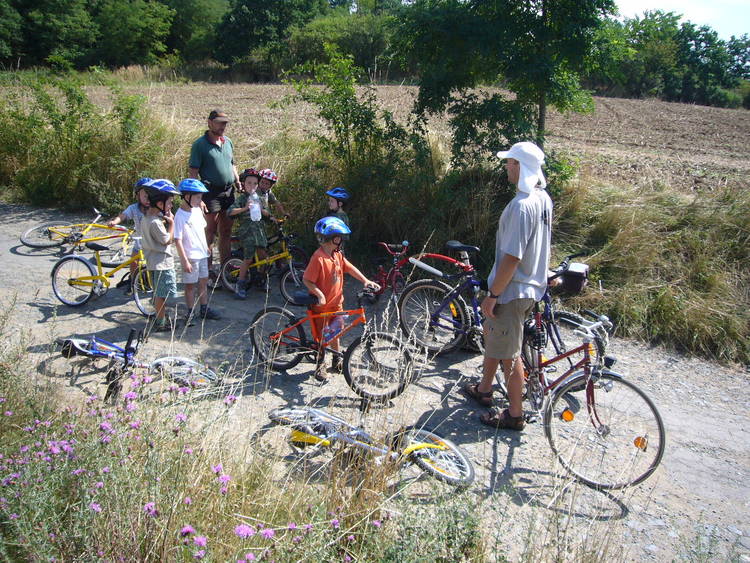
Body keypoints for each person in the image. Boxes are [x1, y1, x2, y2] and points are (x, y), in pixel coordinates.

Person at [462, 141, 553, 430]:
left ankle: (515, 414)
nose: (506, 167)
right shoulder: (543, 199)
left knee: (510, 356)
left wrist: (493, 295)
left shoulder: (521, 206)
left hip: (512, 290)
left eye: (510, 162)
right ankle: (484, 389)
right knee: (495, 336)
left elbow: (513, 257)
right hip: (531, 287)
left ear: (520, 166)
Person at [303, 217, 379, 381]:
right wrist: (319, 295)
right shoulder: (318, 258)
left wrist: (365, 280)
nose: (341, 241)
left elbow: (349, 268)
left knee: (336, 332)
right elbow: (307, 280)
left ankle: (336, 360)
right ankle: (320, 364)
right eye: (339, 238)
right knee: (322, 337)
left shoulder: (337, 255)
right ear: (332, 238)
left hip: (337, 304)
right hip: (322, 307)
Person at [188, 109, 241, 270]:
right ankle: (208, 269)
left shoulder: (228, 142)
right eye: (219, 123)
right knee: (209, 231)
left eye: (224, 123)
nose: (222, 126)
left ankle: (226, 267)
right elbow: (193, 172)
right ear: (210, 123)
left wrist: (237, 180)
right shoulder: (200, 145)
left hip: (228, 191)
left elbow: (232, 164)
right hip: (210, 192)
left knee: (226, 230)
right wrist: (196, 197)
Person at [174, 178, 222, 324]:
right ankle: (190, 313)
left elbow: (202, 230)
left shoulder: (197, 211)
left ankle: (204, 308)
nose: (200, 200)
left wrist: (206, 246)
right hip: (191, 257)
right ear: (187, 196)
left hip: (202, 254)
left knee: (203, 282)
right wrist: (184, 261)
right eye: (198, 197)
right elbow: (178, 240)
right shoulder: (179, 216)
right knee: (190, 286)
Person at [140, 179, 181, 333]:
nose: (171, 205)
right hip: (161, 263)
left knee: (159, 293)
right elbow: (166, 240)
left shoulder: (147, 218)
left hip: (153, 261)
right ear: (159, 203)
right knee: (161, 295)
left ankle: (160, 316)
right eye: (169, 202)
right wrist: (172, 224)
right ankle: (161, 322)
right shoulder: (155, 222)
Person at [227, 167, 268, 299]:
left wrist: (263, 211)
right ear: (244, 184)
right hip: (247, 233)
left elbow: (267, 213)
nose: (252, 186)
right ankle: (240, 284)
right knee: (248, 258)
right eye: (249, 183)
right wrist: (244, 208)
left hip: (259, 233)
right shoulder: (242, 199)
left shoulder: (260, 198)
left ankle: (260, 279)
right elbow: (230, 212)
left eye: (255, 183)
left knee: (264, 257)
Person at [107, 177, 152, 284]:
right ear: (138, 196)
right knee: (134, 263)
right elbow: (123, 215)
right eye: (145, 196)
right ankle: (133, 281)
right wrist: (114, 222)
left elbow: (165, 216)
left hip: (153, 241)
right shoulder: (133, 208)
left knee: (153, 263)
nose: (148, 199)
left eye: (150, 196)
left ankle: (151, 281)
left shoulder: (155, 208)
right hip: (139, 241)